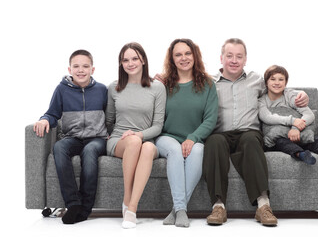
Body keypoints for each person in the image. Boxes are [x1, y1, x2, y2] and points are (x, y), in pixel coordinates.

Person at [202, 38, 309, 227]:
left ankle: (263, 206)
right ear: (221, 58)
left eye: (239, 56)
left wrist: (301, 94)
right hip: (220, 134)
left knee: (252, 140)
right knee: (213, 142)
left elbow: (278, 88)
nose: (234, 60)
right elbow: (183, 85)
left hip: (248, 133)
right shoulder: (208, 83)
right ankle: (218, 206)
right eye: (229, 56)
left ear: (245, 60)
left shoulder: (257, 80)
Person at [33, 50, 108, 224]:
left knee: (89, 151)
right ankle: (73, 203)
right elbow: (52, 113)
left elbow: (111, 115)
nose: (80, 70)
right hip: (72, 137)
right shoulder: (61, 90)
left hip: (96, 138)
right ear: (69, 69)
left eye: (85, 66)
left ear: (93, 69)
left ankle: (85, 208)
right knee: (59, 147)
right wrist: (44, 120)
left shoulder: (102, 90)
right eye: (76, 66)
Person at [155, 39, 218, 228]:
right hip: (166, 137)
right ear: (172, 59)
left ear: (194, 55)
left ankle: (177, 210)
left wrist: (192, 138)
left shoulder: (207, 84)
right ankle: (182, 210)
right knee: (175, 150)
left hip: (195, 137)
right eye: (178, 54)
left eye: (187, 53)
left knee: (198, 151)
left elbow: (210, 119)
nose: (184, 58)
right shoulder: (164, 84)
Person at [105, 42, 166, 229]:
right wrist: (109, 137)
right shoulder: (114, 87)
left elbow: (158, 126)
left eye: (134, 59)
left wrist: (139, 134)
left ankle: (131, 207)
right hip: (120, 140)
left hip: (146, 138)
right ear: (120, 64)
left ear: (143, 61)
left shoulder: (157, 88)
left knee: (146, 147)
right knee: (132, 142)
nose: (130, 63)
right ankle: (127, 200)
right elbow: (109, 120)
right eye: (125, 60)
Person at [259, 65, 318, 166]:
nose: (277, 82)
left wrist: (296, 128)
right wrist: (293, 121)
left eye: (281, 79)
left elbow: (309, 114)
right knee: (282, 143)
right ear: (266, 82)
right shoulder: (262, 100)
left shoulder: (290, 96)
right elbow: (267, 117)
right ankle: (301, 154)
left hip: (299, 133)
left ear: (286, 83)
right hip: (278, 137)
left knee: (312, 140)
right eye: (273, 79)